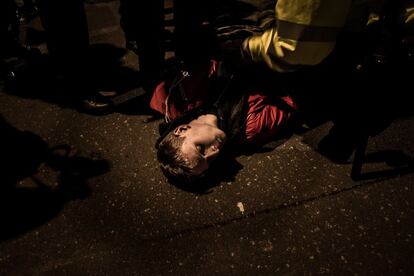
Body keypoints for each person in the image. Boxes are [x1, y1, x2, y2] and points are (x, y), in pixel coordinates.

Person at [153, 61, 299, 183]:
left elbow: (189, 62)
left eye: (201, 148)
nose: (214, 152)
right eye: (209, 161)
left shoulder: (175, 99)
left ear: (182, 129)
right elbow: (293, 96)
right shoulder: (250, 127)